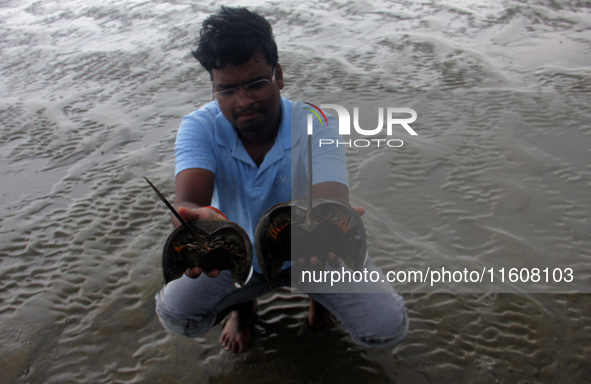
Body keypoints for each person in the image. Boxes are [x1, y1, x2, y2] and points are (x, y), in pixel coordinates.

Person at [155, 6, 408, 353]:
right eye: (226, 90)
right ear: (213, 88)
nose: (242, 101)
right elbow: (188, 202)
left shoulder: (318, 121)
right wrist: (192, 221)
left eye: (256, 84)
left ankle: (319, 298)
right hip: (235, 250)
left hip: (310, 249)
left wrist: (333, 222)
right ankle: (244, 308)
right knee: (177, 314)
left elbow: (331, 197)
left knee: (385, 328)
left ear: (279, 75)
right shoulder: (199, 126)